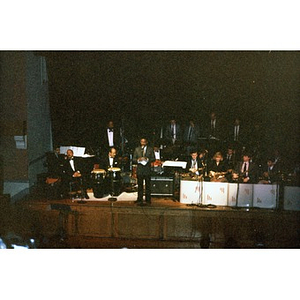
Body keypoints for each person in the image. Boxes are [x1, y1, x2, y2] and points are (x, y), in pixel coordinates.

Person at [132, 138, 155, 205]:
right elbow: (133, 159)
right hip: (140, 169)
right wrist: (138, 159)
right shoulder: (137, 149)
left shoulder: (150, 149)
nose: (143, 143)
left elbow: (153, 159)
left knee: (148, 185)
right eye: (142, 142)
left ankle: (148, 200)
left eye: (144, 142)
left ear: (146, 142)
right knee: (140, 186)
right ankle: (139, 199)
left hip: (147, 169)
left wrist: (147, 159)